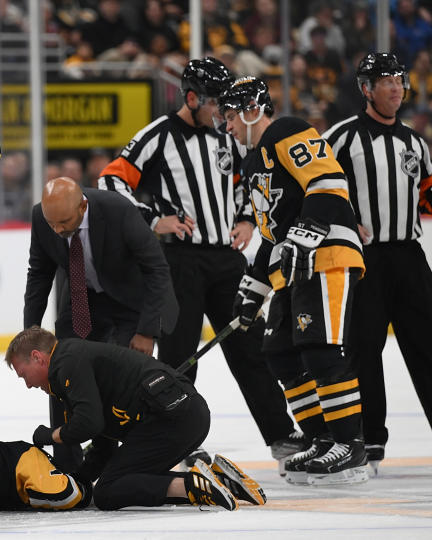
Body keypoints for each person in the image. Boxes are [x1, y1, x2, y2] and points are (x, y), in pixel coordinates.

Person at [98, 57, 299, 466]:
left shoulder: (227, 138)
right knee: (178, 358)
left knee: (251, 348)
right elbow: (110, 181)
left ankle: (281, 436)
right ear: (190, 98)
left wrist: (245, 218)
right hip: (181, 261)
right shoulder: (157, 135)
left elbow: (248, 180)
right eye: (216, 105)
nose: (225, 115)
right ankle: (174, 442)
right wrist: (154, 219)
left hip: (227, 260)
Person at [220, 76, 369, 486]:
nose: (227, 126)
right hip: (292, 267)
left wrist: (309, 227)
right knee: (281, 354)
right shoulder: (252, 164)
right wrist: (253, 289)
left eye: (231, 116)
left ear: (253, 108)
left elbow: (327, 180)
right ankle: (322, 438)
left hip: (325, 254)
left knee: (321, 349)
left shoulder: (288, 129)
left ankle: (349, 445)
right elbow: (271, 234)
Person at [4, 326, 266, 512]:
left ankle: (194, 485)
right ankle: (219, 480)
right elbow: (103, 445)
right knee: (126, 478)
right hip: (185, 414)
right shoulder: (73, 360)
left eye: (23, 374)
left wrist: (50, 436)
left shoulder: (66, 363)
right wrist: (78, 481)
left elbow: (89, 423)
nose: (27, 385)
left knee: (108, 492)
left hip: (173, 418)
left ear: (38, 358)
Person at [323, 52, 432, 476]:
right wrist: (345, 222)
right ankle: (369, 441)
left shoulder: (415, 143)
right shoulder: (341, 137)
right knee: (364, 349)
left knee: (427, 345)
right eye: (385, 81)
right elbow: (313, 187)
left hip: (409, 256)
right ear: (366, 89)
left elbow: (426, 194)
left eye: (399, 80)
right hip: (364, 261)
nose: (395, 88)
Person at [24, 176, 177, 470]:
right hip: (83, 299)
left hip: (130, 299)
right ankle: (67, 465)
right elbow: (39, 273)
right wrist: (31, 328)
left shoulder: (118, 210)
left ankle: (128, 455)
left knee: (123, 378)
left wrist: (147, 331)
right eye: (51, 223)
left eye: (64, 222)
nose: (56, 230)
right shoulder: (43, 217)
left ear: (83, 206)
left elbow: (156, 269)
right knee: (60, 369)